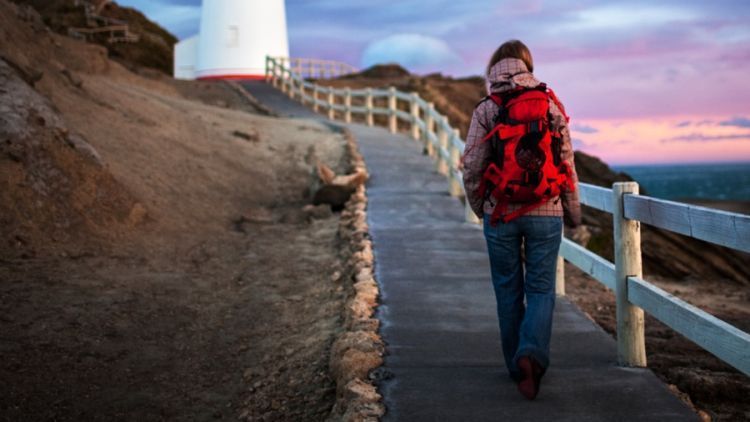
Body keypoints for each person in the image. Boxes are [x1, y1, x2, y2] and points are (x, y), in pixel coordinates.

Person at [462, 39, 581, 400]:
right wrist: (573, 212)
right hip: (546, 211)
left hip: (500, 212)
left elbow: (472, 166)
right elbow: (566, 163)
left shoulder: (487, 108)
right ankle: (533, 353)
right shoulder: (548, 104)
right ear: (528, 66)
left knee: (507, 289)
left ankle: (517, 366)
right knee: (541, 289)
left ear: (494, 68)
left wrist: (479, 205)